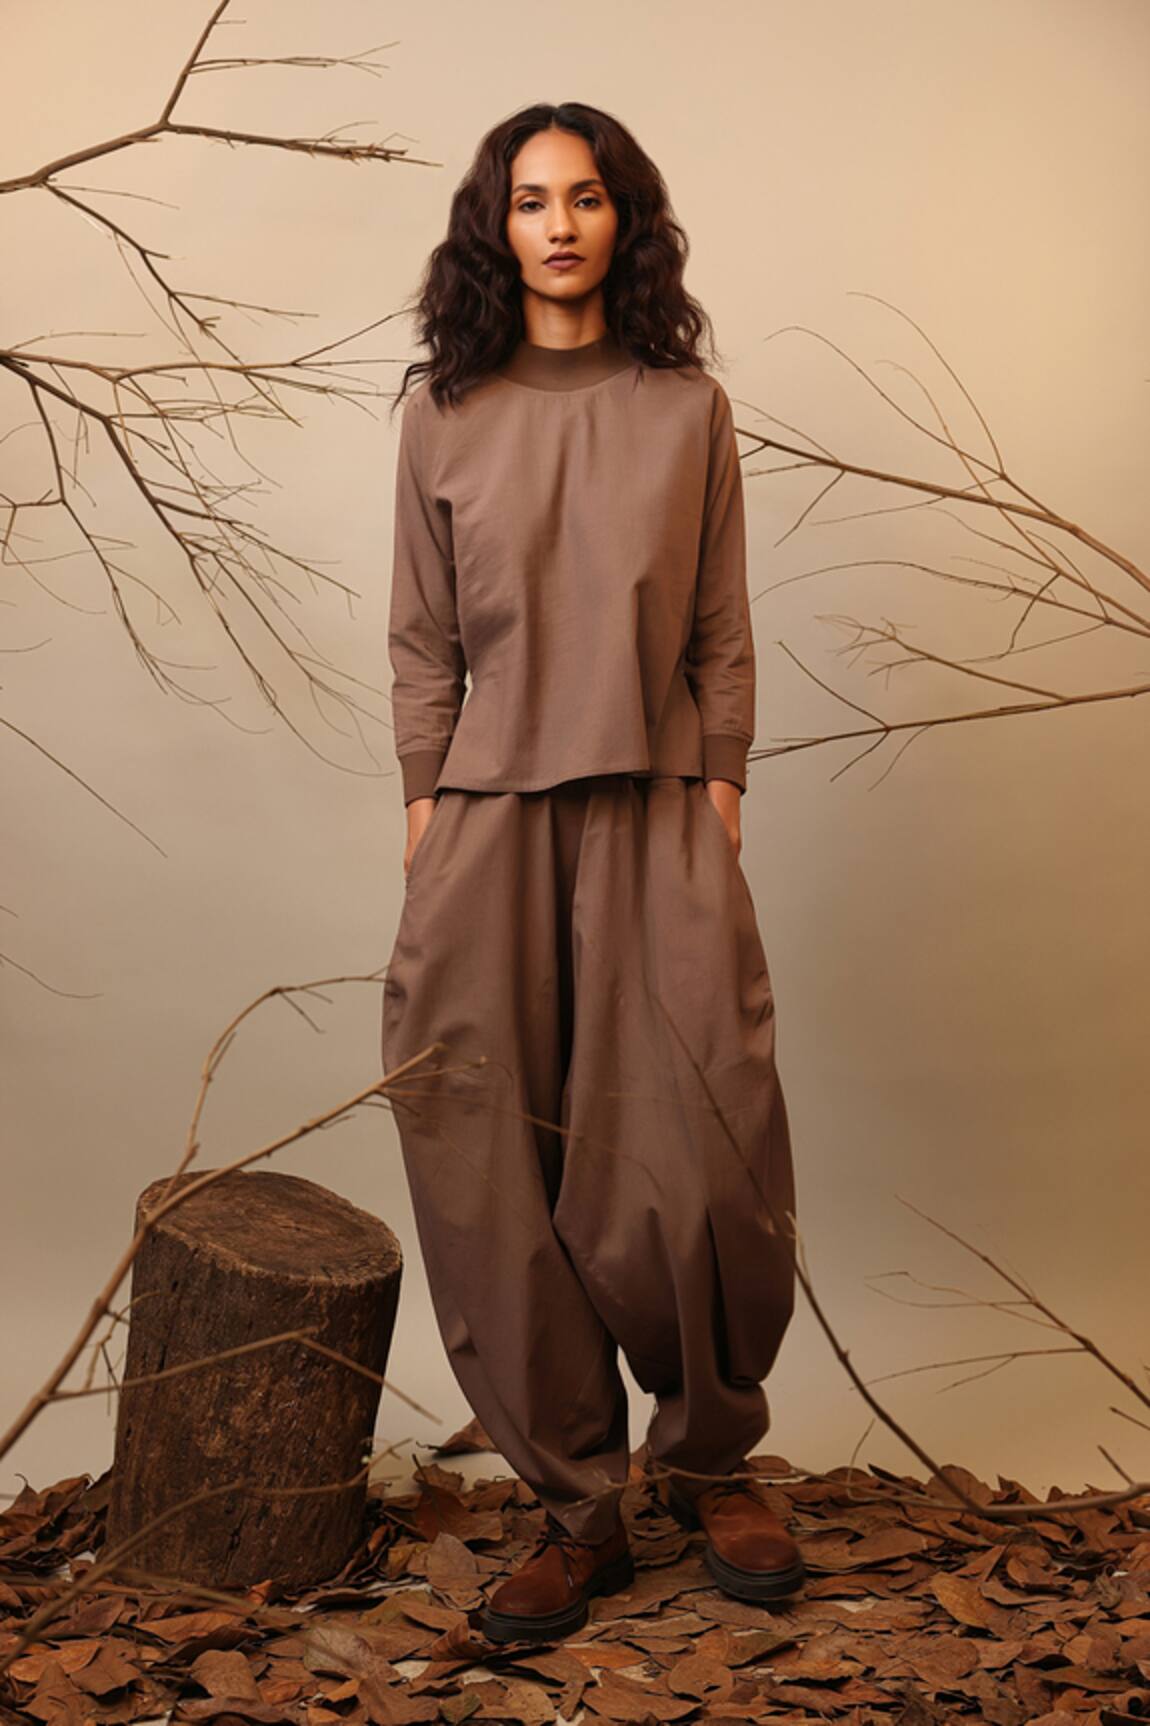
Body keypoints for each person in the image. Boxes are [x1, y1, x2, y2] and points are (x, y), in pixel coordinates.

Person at [381, 100, 803, 1645]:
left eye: (585, 197)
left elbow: (721, 622)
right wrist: (424, 801)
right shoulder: (442, 410)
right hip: (488, 813)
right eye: (529, 199)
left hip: (655, 801)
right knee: (489, 1154)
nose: (558, 224)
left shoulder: (686, 407)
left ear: (625, 220)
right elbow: (420, 632)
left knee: (700, 1144)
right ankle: (575, 1504)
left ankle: (706, 1457)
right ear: (493, 228)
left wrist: (721, 777)